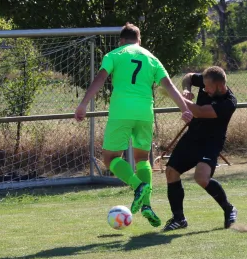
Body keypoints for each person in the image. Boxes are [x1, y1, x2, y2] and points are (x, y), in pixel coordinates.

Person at [75, 23, 192, 227]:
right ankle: (146, 205)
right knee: (141, 158)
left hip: (122, 112)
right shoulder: (151, 58)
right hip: (145, 113)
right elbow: (169, 86)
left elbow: (100, 79)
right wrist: (184, 109)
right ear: (140, 40)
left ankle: (138, 186)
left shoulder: (114, 54)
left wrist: (84, 104)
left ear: (122, 40)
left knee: (110, 157)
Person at [162, 66, 238, 231]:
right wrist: (185, 90)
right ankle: (179, 218)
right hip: (192, 137)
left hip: (211, 143)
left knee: (201, 178)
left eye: (207, 87)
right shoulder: (207, 81)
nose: (204, 89)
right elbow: (188, 76)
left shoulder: (228, 103)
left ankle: (229, 209)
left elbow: (198, 111)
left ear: (219, 86)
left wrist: (174, 96)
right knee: (171, 172)